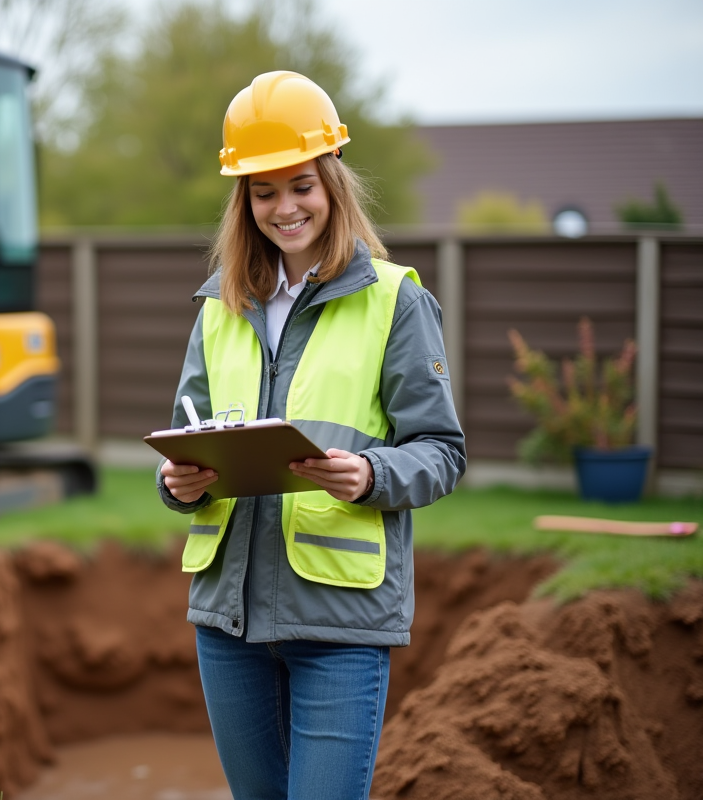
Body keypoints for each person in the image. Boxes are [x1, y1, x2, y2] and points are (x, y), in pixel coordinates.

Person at [157, 71, 466, 800]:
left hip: (340, 630)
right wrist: (178, 483)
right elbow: (185, 441)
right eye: (262, 192)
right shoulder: (217, 309)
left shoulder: (396, 301)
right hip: (227, 625)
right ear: (244, 201)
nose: (283, 207)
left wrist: (371, 474)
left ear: (331, 183)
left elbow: (442, 451)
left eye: (299, 185)